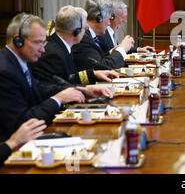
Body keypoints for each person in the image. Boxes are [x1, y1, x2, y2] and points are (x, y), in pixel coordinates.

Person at [0, 13, 112, 142]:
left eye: (44, 42)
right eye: (38, 43)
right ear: (18, 41)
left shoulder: (17, 61)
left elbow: (41, 88)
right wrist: (57, 99)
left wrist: (84, 89)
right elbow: (23, 123)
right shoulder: (5, 71)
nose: (43, 50)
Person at [29, 5, 119, 85]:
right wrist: (87, 90)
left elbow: (70, 77)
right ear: (76, 31)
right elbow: (63, 86)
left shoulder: (62, 45)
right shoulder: (54, 54)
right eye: (84, 28)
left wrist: (94, 74)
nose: (86, 31)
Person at [72, 0, 134, 70]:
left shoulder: (91, 35)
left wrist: (113, 51)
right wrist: (122, 49)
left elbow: (99, 60)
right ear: (99, 18)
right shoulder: (83, 38)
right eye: (108, 19)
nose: (108, 24)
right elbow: (102, 67)